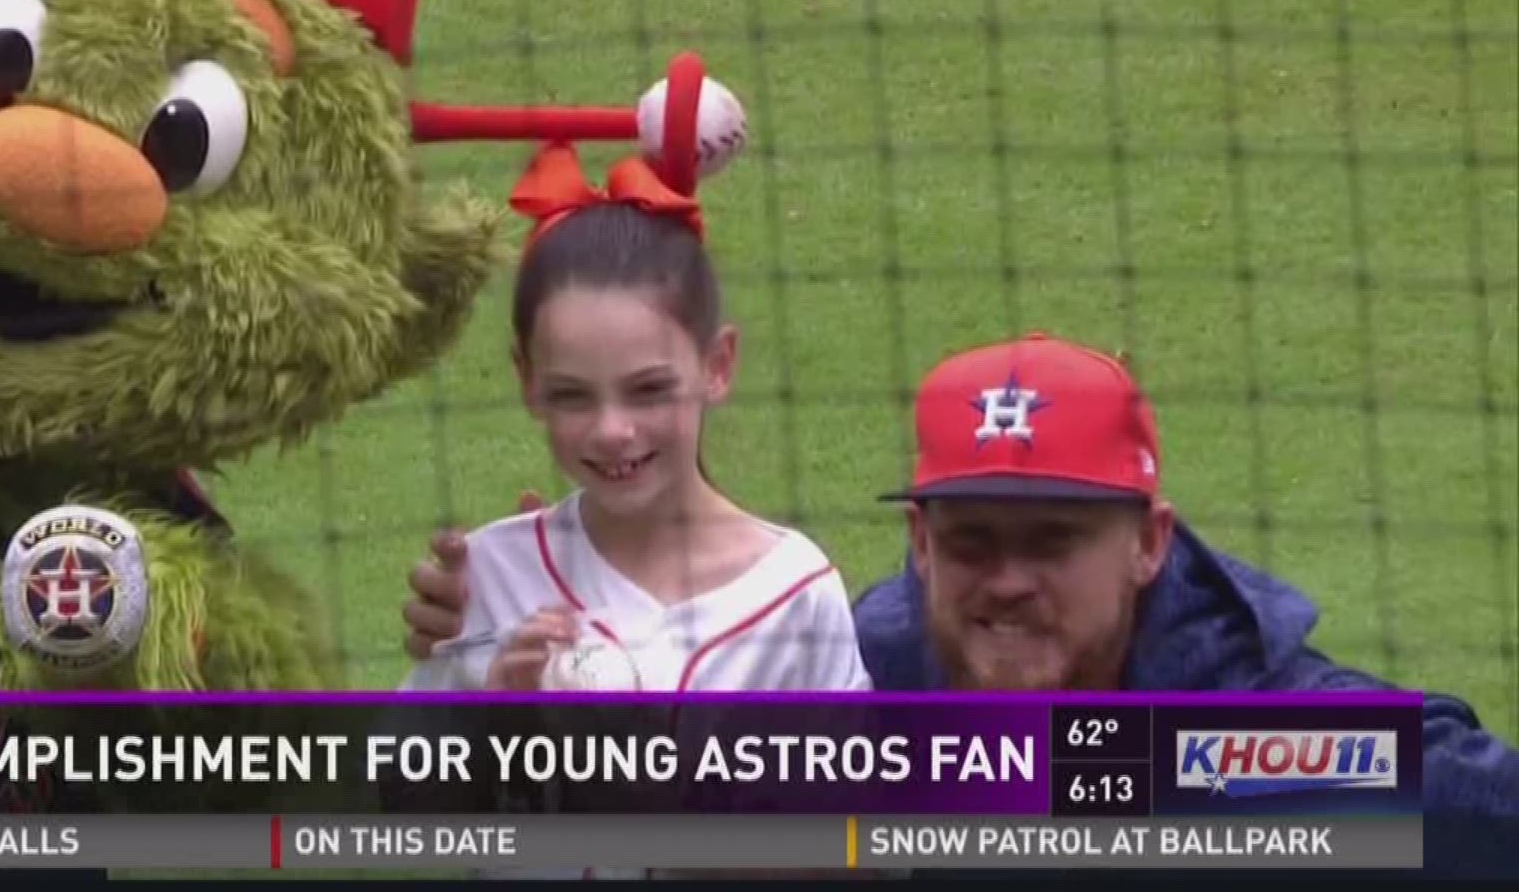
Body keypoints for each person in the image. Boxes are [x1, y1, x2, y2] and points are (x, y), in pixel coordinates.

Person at [402, 332, 1519, 876]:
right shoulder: (864, 676)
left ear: (1148, 545)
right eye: (974, 541)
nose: (1008, 581)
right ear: (921, 545)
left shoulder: (1262, 736)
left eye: (1054, 542)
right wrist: (512, 639)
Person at [402, 142, 870, 698]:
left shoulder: (796, 593)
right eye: (572, 396)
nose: (612, 431)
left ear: (717, 365)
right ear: (528, 381)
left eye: (648, 390)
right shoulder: (490, 579)